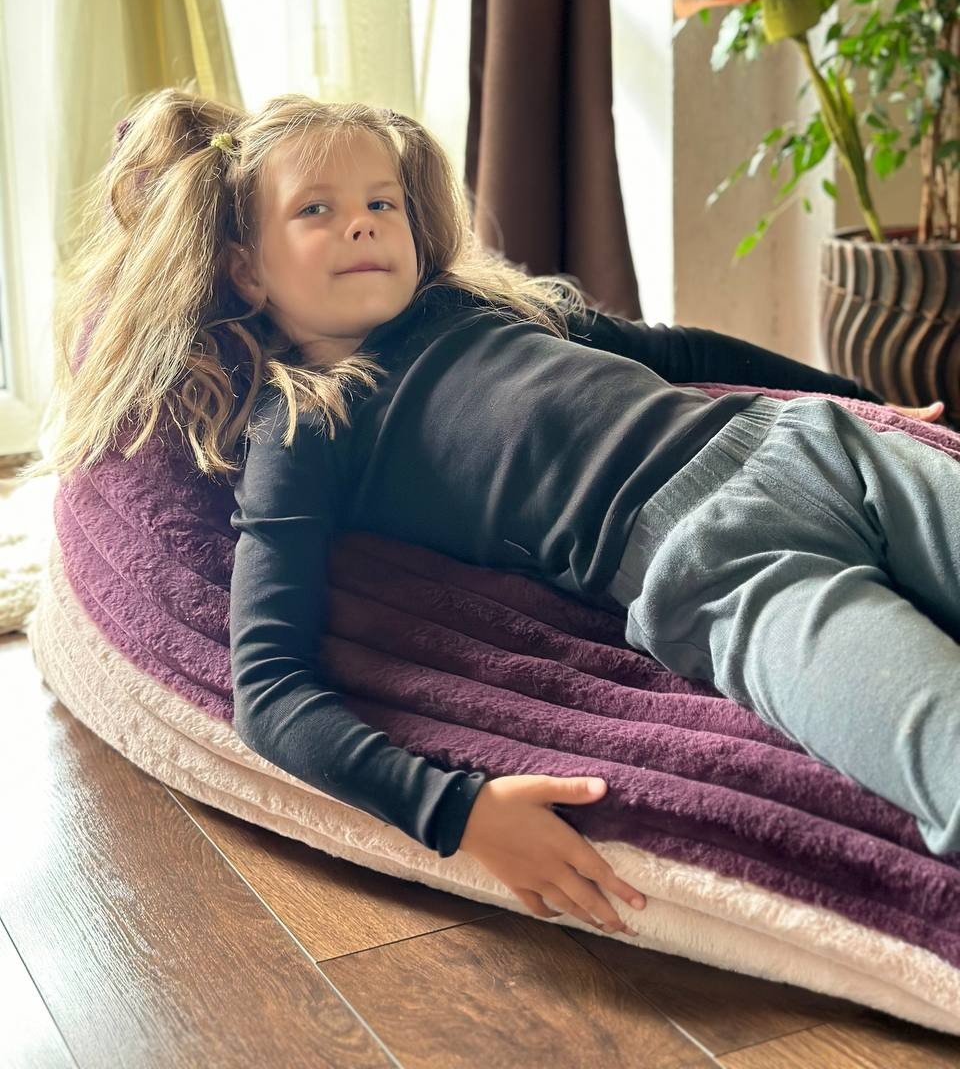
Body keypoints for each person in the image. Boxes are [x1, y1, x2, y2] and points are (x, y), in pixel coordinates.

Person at [32, 87, 956, 943]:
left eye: (382, 200)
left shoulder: (478, 305)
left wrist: (866, 402)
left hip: (827, 451)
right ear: (245, 270)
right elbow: (269, 691)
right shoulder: (303, 421)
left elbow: (675, 347)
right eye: (315, 209)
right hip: (723, 573)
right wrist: (459, 814)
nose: (361, 220)